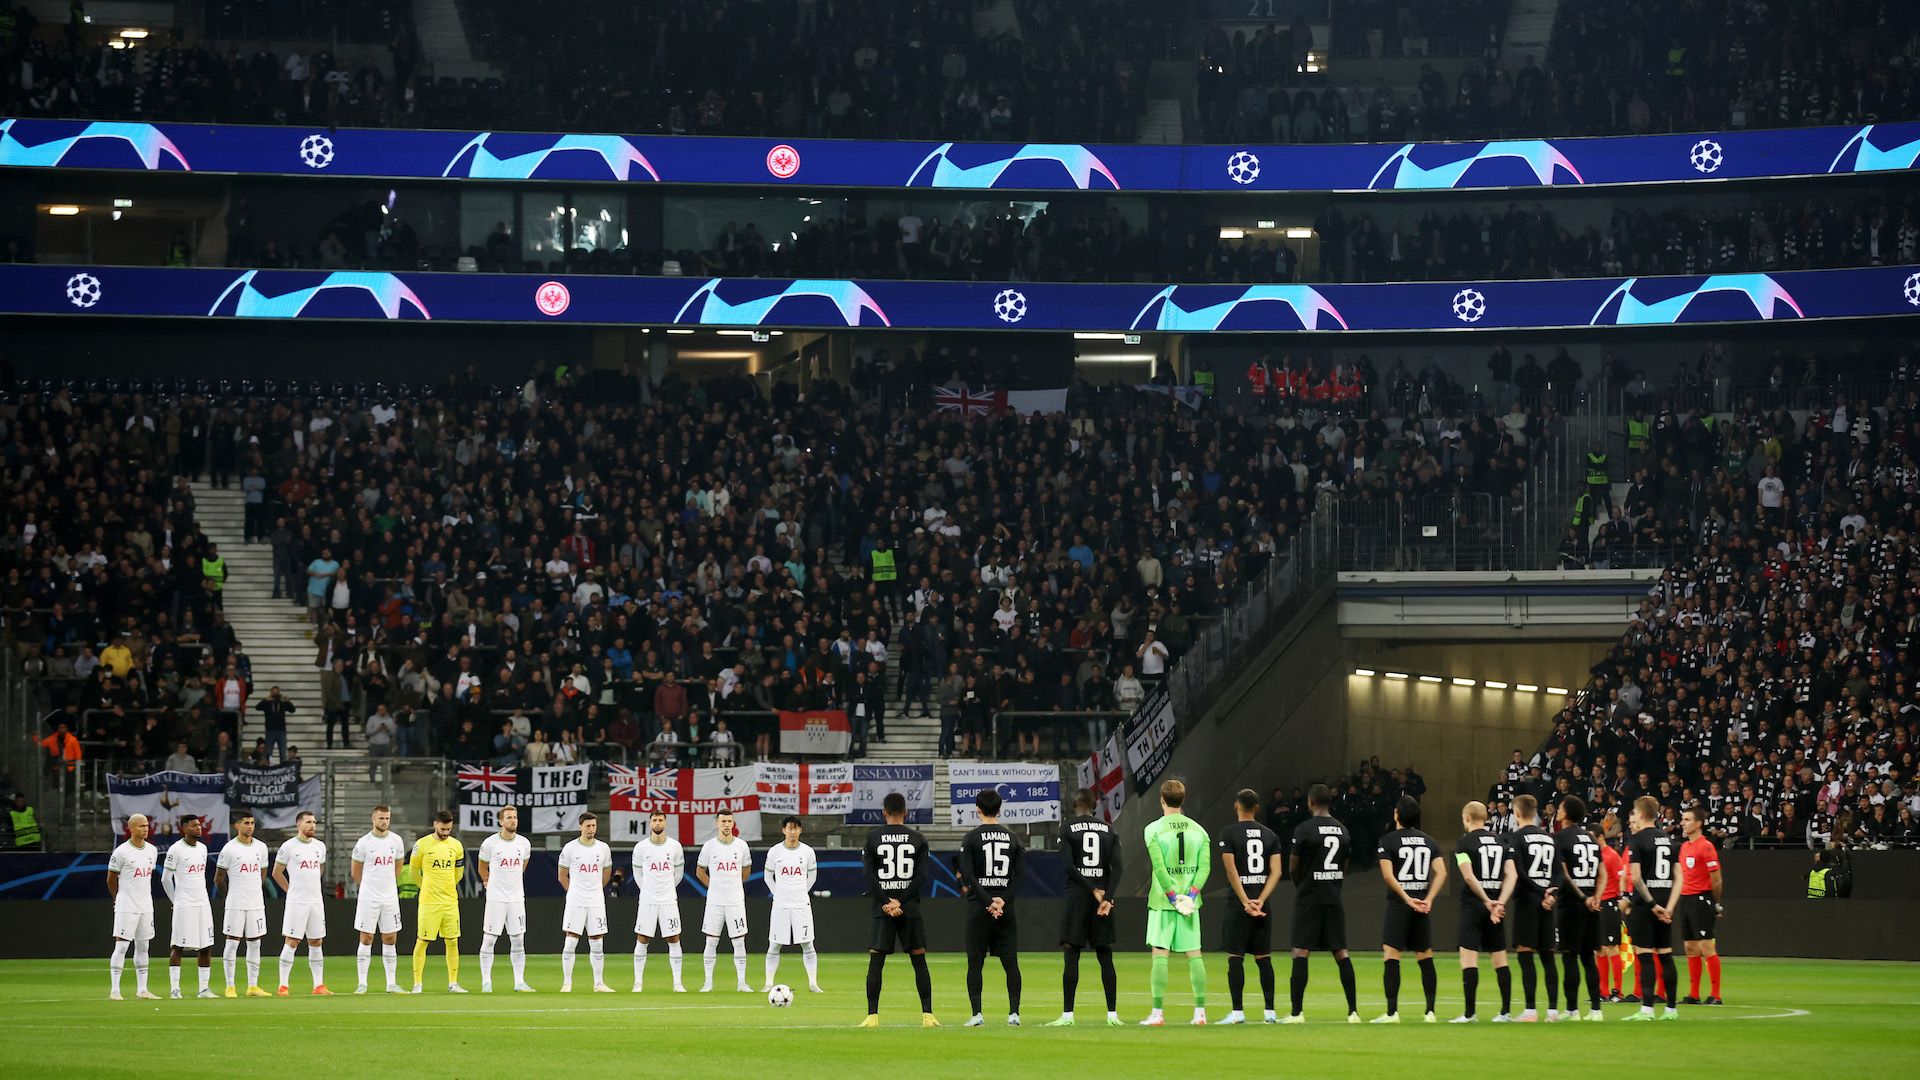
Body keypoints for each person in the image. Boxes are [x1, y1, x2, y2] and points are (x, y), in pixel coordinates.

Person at [857, 791, 937, 1028]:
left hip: (883, 909)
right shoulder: (918, 839)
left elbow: (868, 875)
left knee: (876, 961)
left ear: (884, 812)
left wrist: (886, 901)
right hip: (909, 908)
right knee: (919, 960)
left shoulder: (873, 838)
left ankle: (872, 1016)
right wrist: (901, 901)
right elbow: (922, 876)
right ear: (906, 813)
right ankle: (928, 1015)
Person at [1281, 782, 1358, 1024]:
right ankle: (1353, 1012)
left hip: (1309, 897)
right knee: (1341, 952)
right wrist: (1333, 884)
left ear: (1311, 802)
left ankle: (1296, 1013)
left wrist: (1302, 885)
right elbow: (1346, 865)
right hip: (1333, 898)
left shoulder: (1304, 829)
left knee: (1300, 951)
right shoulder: (1342, 830)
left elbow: (1293, 866)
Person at [1046, 787, 1122, 1027]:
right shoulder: (1109, 830)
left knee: (1072, 955)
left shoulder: (1067, 829)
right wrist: (1107, 897)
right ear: (1095, 805)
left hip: (1078, 896)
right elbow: (1118, 868)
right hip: (1102, 900)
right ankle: (1112, 1015)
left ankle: (1068, 1015)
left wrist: (1091, 890)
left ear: (1074, 804)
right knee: (1105, 955)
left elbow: (1070, 867)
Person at [1140, 777, 1209, 1026]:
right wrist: (1189, 897)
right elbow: (1204, 867)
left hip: (1163, 902)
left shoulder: (1153, 829)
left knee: (1160, 955)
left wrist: (1172, 897)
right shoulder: (1199, 831)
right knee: (1195, 955)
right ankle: (1200, 1013)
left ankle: (1158, 1014)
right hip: (1190, 905)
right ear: (1183, 800)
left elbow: (1159, 868)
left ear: (1162, 800)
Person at [1374, 795, 1446, 1023]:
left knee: (1392, 955)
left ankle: (1392, 1012)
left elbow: (1387, 874)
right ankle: (1430, 1012)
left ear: (1397, 815)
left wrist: (1406, 898)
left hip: (1399, 905)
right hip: (1422, 906)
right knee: (1425, 957)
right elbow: (1442, 872)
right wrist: (1429, 898)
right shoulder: (1429, 841)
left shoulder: (1388, 841)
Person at [959, 788, 1024, 1027]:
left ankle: (977, 1014)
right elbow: (1021, 875)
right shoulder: (1013, 838)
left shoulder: (971, 838)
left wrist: (988, 902)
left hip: (980, 908)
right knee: (1010, 962)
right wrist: (1002, 900)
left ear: (978, 809)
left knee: (975, 961)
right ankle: (1014, 1013)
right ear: (999, 809)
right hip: (1005, 909)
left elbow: (968, 875)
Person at [1217, 788, 1283, 1024]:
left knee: (1236, 958)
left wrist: (1245, 901)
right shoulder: (1270, 835)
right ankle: (1270, 1012)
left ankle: (1237, 1013)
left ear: (1237, 806)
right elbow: (1276, 872)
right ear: (1256, 807)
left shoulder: (1229, 833)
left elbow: (1231, 870)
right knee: (1264, 958)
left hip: (1238, 905)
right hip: (1262, 906)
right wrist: (1261, 900)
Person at [1496, 793, 1560, 1022]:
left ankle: (1531, 1010)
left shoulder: (1516, 838)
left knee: (1525, 955)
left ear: (1517, 813)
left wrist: (1539, 892)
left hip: (1527, 901)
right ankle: (1553, 1011)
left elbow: (1519, 872)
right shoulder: (1549, 838)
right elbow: (1559, 871)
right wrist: (1551, 892)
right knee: (1547, 956)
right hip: (1547, 902)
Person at [1450, 800, 1512, 1022]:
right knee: (1500, 959)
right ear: (1485, 818)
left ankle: (1470, 1014)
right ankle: (1505, 1012)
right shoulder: (1502, 842)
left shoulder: (1463, 843)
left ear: (1466, 818)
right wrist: (1499, 902)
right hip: (1497, 906)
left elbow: (1468, 875)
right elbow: (1511, 875)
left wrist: (1486, 900)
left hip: (1473, 905)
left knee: (1468, 958)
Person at [1622, 794, 1680, 1020]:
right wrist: (1669, 907)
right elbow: (1679, 877)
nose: (1632, 818)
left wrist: (1652, 904)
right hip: (1666, 905)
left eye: (1634, 813)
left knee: (1645, 955)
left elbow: (1636, 878)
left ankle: (1646, 1009)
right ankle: (1671, 1009)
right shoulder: (1668, 839)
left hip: (1646, 905)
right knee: (1665, 955)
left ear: (1643, 815)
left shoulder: (1637, 840)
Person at [1551, 796, 1606, 1021]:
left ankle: (1572, 1009)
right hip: (1592, 906)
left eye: (1560, 807)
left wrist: (1583, 897)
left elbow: (1564, 873)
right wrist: (1596, 898)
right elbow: (1603, 873)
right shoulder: (1591, 839)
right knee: (1588, 957)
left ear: (1566, 813)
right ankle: (1595, 1010)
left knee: (1569, 956)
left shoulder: (1560, 838)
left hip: (1571, 905)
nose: (1557, 810)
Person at [477, 805, 535, 993]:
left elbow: (523, 867)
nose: (513, 821)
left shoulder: (524, 844)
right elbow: (482, 868)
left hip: (517, 898)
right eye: (509, 817)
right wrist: (488, 882)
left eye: (515, 817)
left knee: (518, 939)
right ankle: (486, 982)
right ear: (501, 821)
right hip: (496, 898)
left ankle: (519, 982)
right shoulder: (490, 844)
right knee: (490, 939)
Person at [350, 805, 407, 995]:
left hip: (389, 897)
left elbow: (398, 866)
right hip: (369, 896)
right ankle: (362, 984)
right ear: (373, 819)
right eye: (381, 818)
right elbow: (355, 871)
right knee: (367, 937)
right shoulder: (364, 843)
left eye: (387, 818)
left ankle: (391, 983)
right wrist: (367, 888)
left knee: (390, 937)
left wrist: (389, 884)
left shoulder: (396, 841)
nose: (385, 822)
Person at [273, 810, 331, 995]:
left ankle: (319, 985)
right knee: (292, 941)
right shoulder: (289, 846)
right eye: (308, 822)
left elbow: (319, 868)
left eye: (314, 822)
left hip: (316, 901)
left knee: (316, 941)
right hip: (296, 902)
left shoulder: (319, 846)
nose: (312, 825)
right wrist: (291, 891)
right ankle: (283, 985)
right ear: (299, 825)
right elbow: (277, 872)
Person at [215, 810, 272, 996]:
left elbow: (262, 873)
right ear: (236, 826)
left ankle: (252, 986)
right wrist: (229, 896)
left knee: (255, 943)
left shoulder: (261, 848)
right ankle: (230, 986)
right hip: (236, 903)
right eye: (246, 823)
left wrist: (254, 889)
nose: (250, 826)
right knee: (232, 943)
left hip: (256, 903)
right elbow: (219, 878)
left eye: (252, 823)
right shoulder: (229, 849)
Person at [1672, 804, 1725, 1006]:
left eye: (1687, 820)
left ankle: (1716, 995)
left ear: (1699, 823)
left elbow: (1717, 880)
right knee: (1690, 947)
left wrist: (1715, 903)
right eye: (1683, 820)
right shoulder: (1684, 847)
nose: (1683, 823)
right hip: (1686, 899)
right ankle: (1693, 994)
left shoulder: (1706, 846)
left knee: (1706, 946)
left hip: (1702, 898)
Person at [762, 815, 821, 993]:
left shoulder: (808, 852)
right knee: (774, 944)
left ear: (800, 830)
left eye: (795, 828)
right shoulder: (774, 852)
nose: (792, 832)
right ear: (783, 830)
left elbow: (812, 877)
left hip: (801, 904)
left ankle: (813, 984)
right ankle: (769, 983)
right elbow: (767, 877)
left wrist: (802, 891)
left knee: (807, 943)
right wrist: (777, 893)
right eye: (789, 828)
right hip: (780, 905)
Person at [410, 809, 467, 993]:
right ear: (435, 824)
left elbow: (458, 873)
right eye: (442, 829)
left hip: (450, 901)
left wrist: (447, 886)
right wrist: (426, 887)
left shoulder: (456, 846)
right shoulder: (422, 845)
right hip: (429, 902)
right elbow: (413, 872)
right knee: (423, 940)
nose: (445, 833)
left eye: (448, 829)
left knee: (452, 941)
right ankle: (417, 983)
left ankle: (453, 983)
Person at [630, 810, 687, 993]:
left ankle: (677, 983)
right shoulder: (640, 847)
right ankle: (638, 983)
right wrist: (648, 889)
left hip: (669, 900)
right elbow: (638, 874)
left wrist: (667, 888)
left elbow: (678, 874)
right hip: (647, 901)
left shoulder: (675, 846)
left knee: (673, 938)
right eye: (654, 820)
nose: (657, 823)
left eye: (660, 820)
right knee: (643, 938)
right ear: (650, 823)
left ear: (666, 823)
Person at [696, 811, 753, 993]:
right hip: (715, 902)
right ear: (717, 824)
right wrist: (714, 886)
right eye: (723, 821)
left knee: (739, 941)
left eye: (729, 821)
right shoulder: (709, 846)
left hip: (735, 901)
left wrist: (733, 885)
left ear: (733, 823)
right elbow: (700, 871)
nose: (726, 825)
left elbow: (746, 871)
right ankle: (708, 983)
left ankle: (742, 983)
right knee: (711, 941)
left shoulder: (742, 846)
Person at [557, 812, 613, 993]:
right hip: (576, 901)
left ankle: (599, 983)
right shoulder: (570, 848)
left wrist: (595, 890)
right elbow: (562, 876)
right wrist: (574, 892)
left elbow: (606, 873)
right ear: (581, 827)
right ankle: (567, 983)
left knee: (597, 943)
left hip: (596, 901)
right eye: (588, 826)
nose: (591, 829)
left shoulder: (603, 848)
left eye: (594, 826)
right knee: (571, 942)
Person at [107, 812, 160, 1000]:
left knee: (143, 946)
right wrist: (118, 898)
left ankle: (142, 989)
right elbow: (111, 879)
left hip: (146, 905)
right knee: (121, 947)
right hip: (126, 905)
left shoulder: (152, 850)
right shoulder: (121, 852)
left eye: (146, 825)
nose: (145, 829)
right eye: (141, 826)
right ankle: (115, 990)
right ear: (130, 828)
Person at [162, 814, 215, 998]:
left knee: (206, 946)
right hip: (184, 904)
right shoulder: (175, 850)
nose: (199, 828)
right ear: (184, 828)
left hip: (202, 903)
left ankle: (203, 989)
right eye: (194, 825)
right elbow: (166, 879)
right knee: (178, 946)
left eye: (199, 825)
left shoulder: (203, 848)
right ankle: (175, 989)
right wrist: (175, 901)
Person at [1596, 813, 1631, 1001]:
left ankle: (1617, 991)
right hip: (1598, 904)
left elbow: (1621, 877)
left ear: (1600, 837)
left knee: (1612, 948)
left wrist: (1622, 899)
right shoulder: (1596, 855)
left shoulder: (1611, 855)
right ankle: (1602, 991)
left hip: (1609, 903)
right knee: (1600, 949)